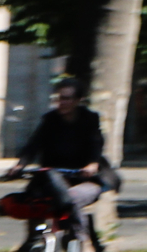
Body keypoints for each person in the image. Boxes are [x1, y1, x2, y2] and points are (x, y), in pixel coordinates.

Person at [6, 78, 107, 232]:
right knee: (34, 201)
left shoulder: (89, 119)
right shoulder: (50, 119)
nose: (62, 102)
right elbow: (34, 144)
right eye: (59, 98)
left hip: (81, 178)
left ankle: (86, 245)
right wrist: (20, 164)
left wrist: (92, 164)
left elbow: (96, 143)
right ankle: (33, 242)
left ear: (78, 100)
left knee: (71, 200)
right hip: (52, 177)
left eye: (66, 98)